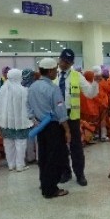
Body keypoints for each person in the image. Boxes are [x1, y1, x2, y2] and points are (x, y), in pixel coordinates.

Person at [28, 58, 70, 198]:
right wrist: (67, 130)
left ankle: (44, 183)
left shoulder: (33, 87)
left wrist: (35, 120)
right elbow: (60, 110)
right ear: (50, 70)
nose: (56, 72)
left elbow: (28, 108)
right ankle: (51, 189)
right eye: (55, 70)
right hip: (53, 126)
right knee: (56, 158)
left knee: (44, 156)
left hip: (41, 126)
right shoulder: (53, 88)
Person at [56, 49, 98, 186]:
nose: (63, 64)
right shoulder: (53, 75)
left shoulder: (77, 76)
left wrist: (96, 83)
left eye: (67, 62)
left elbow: (90, 94)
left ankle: (80, 174)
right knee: (60, 147)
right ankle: (65, 172)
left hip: (72, 117)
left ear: (72, 63)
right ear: (59, 59)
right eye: (62, 60)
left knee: (76, 147)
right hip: (56, 118)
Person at [0, 69, 33, 172]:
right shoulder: (24, 90)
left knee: (8, 143)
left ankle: (11, 164)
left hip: (6, 122)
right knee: (21, 143)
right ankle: (20, 165)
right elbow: (28, 106)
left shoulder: (2, 90)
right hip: (21, 121)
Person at [21, 69, 38, 164]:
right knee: (37, 137)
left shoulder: (20, 86)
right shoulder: (35, 86)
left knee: (29, 137)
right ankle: (39, 157)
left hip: (24, 116)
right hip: (35, 114)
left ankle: (30, 157)